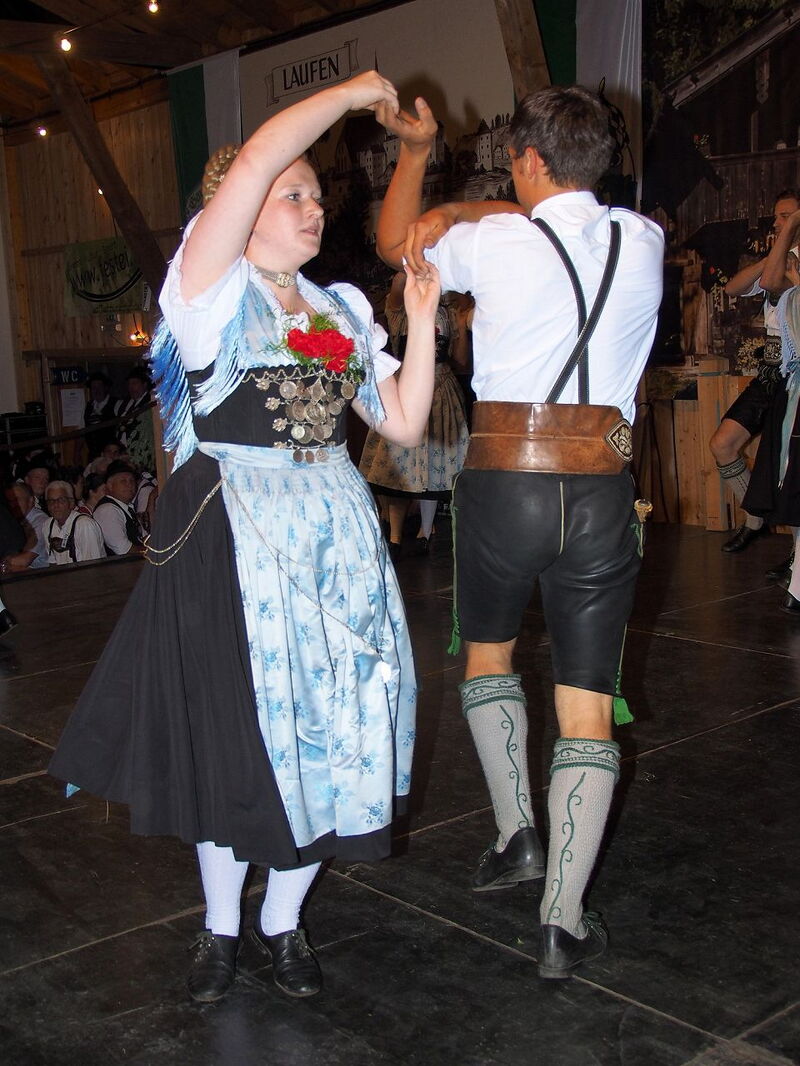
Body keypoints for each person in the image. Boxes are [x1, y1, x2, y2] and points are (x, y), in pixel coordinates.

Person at [49, 72, 439, 1006]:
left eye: (315, 195)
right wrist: (356, 91)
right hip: (234, 536)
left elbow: (404, 425)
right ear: (242, 207)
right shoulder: (207, 295)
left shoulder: (340, 308)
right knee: (237, 740)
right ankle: (222, 926)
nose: (313, 206)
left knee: (336, 732)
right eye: (291, 193)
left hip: (336, 538)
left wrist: (422, 323)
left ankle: (282, 921)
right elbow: (261, 152)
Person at [376, 85, 664, 979]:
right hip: (604, 489)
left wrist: (423, 161)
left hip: (505, 484)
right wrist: (485, 208)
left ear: (528, 159)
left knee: (488, 656)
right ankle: (561, 923)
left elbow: (395, 242)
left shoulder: (496, 242)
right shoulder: (644, 239)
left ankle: (517, 836)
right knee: (588, 705)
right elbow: (552, 218)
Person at [712, 190, 800, 564]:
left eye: (785, 216)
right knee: (723, 444)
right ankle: (756, 519)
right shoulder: (777, 258)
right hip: (771, 367)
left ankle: (795, 558)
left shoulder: (792, 263)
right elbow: (732, 287)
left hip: (795, 371)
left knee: (788, 465)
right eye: (777, 216)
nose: (776, 222)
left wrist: (782, 251)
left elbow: (771, 283)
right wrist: (772, 253)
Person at [359, 270, 469, 557]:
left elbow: (460, 360)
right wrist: (416, 263)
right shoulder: (401, 310)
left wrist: (459, 324)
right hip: (404, 387)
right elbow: (398, 285)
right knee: (398, 465)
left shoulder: (448, 313)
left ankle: (426, 530)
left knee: (436, 464)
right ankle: (395, 536)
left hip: (441, 390)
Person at [742, 205, 800, 616]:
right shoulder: (789, 282)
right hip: (788, 383)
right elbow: (763, 281)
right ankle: (797, 582)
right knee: (791, 479)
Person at [44, 481, 105, 565]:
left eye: (61, 500)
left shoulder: (84, 525)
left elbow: (92, 566)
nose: (55, 505)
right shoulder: (48, 525)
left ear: (71, 503)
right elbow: (52, 562)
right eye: (51, 501)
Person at [92, 460, 144, 556]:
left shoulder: (125, 507)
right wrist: (155, 553)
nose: (129, 485)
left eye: (132, 481)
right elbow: (123, 550)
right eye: (123, 481)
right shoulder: (107, 510)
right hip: (121, 565)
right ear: (110, 486)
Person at [4, 482, 49, 570]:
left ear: (30, 501)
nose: (13, 504)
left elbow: (24, 560)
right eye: (10, 501)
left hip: (42, 576)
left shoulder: (41, 522)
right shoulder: (12, 519)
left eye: (17, 499)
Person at [83, 373, 121, 459]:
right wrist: (77, 453)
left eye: (99, 387)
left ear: (105, 388)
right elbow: (82, 430)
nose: (97, 390)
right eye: (94, 388)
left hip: (111, 456)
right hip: (93, 455)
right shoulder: (88, 407)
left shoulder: (117, 404)